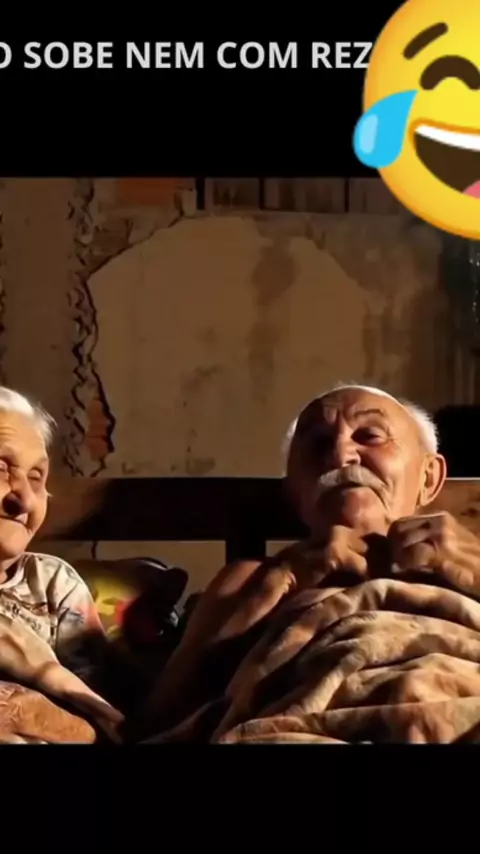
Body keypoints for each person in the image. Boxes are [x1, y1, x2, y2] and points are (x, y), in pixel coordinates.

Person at [143, 383, 480, 742]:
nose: (340, 454)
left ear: (429, 478)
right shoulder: (251, 580)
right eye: (318, 443)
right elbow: (158, 719)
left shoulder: (470, 558)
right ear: (294, 493)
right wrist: (280, 581)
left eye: (370, 435)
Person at [0, 385, 123, 738]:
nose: (24, 500)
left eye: (36, 477)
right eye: (2, 468)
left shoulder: (53, 585)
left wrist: (37, 705)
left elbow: (107, 726)